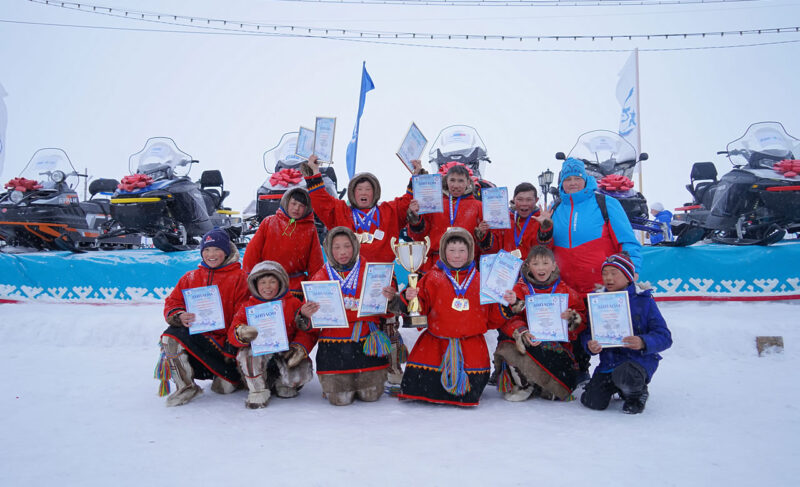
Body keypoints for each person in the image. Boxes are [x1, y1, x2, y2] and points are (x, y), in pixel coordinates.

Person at [303, 155, 422, 386]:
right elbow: (320, 200)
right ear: (352, 193)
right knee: (354, 321)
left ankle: (392, 363)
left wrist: (416, 176)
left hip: (381, 278)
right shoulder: (340, 211)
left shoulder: (389, 211)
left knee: (389, 321)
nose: (364, 192)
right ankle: (356, 362)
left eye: (368, 188)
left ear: (375, 192)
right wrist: (314, 173)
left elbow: (408, 200)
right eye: (359, 189)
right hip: (349, 278)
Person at [398, 227, 512, 407]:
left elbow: (492, 318)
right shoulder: (432, 277)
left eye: (462, 250)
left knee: (468, 393)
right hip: (435, 346)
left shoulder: (482, 280)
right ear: (443, 251)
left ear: (470, 251)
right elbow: (421, 308)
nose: (457, 255)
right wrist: (410, 297)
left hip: (471, 348)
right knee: (419, 386)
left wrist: (507, 304)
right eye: (451, 250)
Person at [305, 227, 400, 406]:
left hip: (367, 344)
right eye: (337, 247)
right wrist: (306, 314)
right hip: (334, 348)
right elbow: (312, 322)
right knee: (340, 399)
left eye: (347, 246)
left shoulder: (372, 272)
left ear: (355, 246)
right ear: (329, 250)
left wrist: (391, 299)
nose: (342, 252)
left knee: (371, 395)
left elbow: (388, 311)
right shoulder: (320, 278)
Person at [157, 229, 250, 407]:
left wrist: (233, 338)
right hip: (198, 338)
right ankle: (186, 386)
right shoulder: (190, 277)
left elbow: (243, 312)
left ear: (226, 251)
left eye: (216, 249)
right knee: (171, 335)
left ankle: (230, 376)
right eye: (206, 250)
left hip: (227, 345)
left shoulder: (240, 278)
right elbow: (173, 302)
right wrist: (180, 315)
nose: (211, 255)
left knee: (223, 389)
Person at [580, 253, 672, 414]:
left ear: (628, 277)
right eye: (605, 273)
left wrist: (643, 342)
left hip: (637, 362)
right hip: (609, 364)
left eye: (614, 273)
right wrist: (589, 344)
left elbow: (664, 336)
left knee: (626, 374)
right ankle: (620, 387)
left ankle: (636, 394)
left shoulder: (644, 301)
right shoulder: (598, 301)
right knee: (592, 401)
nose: (608, 278)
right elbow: (587, 332)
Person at [493, 245, 586, 402]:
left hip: (556, 346)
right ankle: (524, 383)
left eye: (545, 263)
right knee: (508, 345)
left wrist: (572, 319)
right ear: (528, 266)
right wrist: (522, 331)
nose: (541, 268)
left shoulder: (565, 291)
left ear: (554, 265)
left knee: (559, 390)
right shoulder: (519, 289)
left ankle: (543, 383)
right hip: (529, 342)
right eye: (535, 264)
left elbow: (582, 320)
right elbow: (508, 317)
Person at [228, 261, 319, 409]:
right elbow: (232, 333)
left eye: (272, 282)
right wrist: (242, 333)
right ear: (255, 284)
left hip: (285, 352)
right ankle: (258, 390)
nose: (267, 287)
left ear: (281, 282)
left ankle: (283, 383)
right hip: (260, 353)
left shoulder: (293, 303)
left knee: (300, 367)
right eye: (263, 282)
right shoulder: (248, 306)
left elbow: (307, 332)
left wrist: (299, 347)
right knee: (247, 355)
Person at [551, 157, 642, 295]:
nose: (573, 183)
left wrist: (632, 268)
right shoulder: (554, 208)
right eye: (568, 179)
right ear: (562, 183)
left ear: (585, 179)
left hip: (603, 289)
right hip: (566, 291)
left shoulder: (606, 203)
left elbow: (627, 240)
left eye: (577, 178)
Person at [407, 162, 491, 273]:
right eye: (452, 180)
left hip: (465, 266)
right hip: (436, 265)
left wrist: (483, 234)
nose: (456, 185)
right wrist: (415, 218)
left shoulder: (479, 206)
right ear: (446, 180)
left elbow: (488, 248)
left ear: (468, 182)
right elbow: (418, 236)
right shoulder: (433, 203)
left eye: (460, 181)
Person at [242, 187, 324, 298]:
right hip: (268, 283)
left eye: (301, 206)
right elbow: (252, 253)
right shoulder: (268, 222)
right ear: (286, 202)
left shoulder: (310, 229)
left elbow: (315, 262)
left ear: (307, 208)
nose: (296, 208)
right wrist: (249, 278)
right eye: (293, 203)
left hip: (295, 286)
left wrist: (316, 287)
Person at [484, 182, 554, 260]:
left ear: (536, 200)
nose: (524, 204)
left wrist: (545, 228)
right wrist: (484, 234)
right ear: (514, 199)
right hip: (506, 266)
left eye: (529, 200)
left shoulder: (540, 220)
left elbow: (545, 251)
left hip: (530, 267)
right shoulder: (504, 220)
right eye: (520, 199)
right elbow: (492, 250)